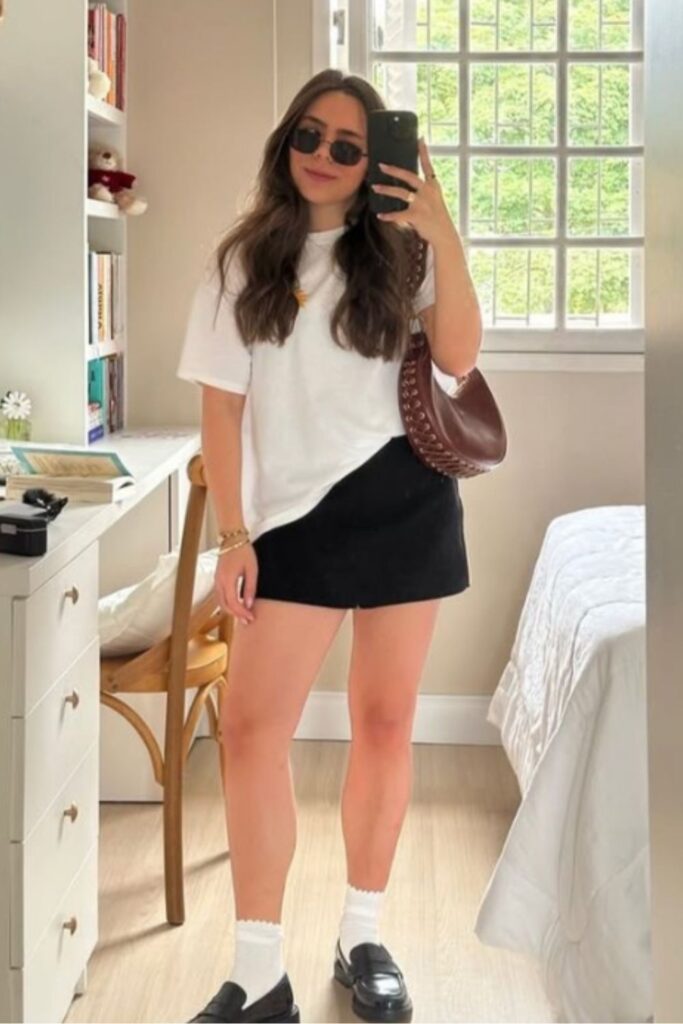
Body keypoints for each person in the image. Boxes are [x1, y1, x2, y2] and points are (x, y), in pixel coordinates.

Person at [177, 66, 481, 1024]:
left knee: (384, 724)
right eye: (308, 134)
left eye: (348, 146)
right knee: (252, 733)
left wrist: (441, 229)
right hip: (291, 522)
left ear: (374, 162)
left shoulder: (403, 253)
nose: (322, 155)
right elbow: (221, 411)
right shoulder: (242, 262)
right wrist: (233, 535)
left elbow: (460, 359)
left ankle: (364, 937)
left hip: (406, 499)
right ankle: (257, 973)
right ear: (286, 140)